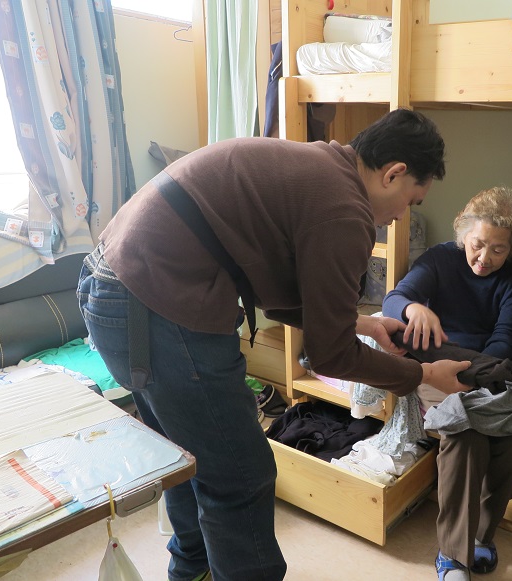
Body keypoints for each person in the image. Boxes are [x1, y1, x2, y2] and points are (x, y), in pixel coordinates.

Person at [77, 108, 472, 581]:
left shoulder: (322, 167)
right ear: (394, 173)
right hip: (156, 305)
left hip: (114, 284)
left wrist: (363, 325)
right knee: (242, 476)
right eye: (412, 198)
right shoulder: (345, 211)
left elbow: (275, 284)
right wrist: (424, 375)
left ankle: (192, 572)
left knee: (188, 460)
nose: (402, 213)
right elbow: (328, 355)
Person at [382, 186, 512, 581]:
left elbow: (506, 340)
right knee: (466, 433)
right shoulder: (439, 259)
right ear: (463, 235)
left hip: (489, 366)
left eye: (498, 250)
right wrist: (413, 306)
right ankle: (452, 555)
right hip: (437, 364)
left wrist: (476, 377)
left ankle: (483, 534)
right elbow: (394, 301)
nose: (484, 258)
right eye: (477, 244)